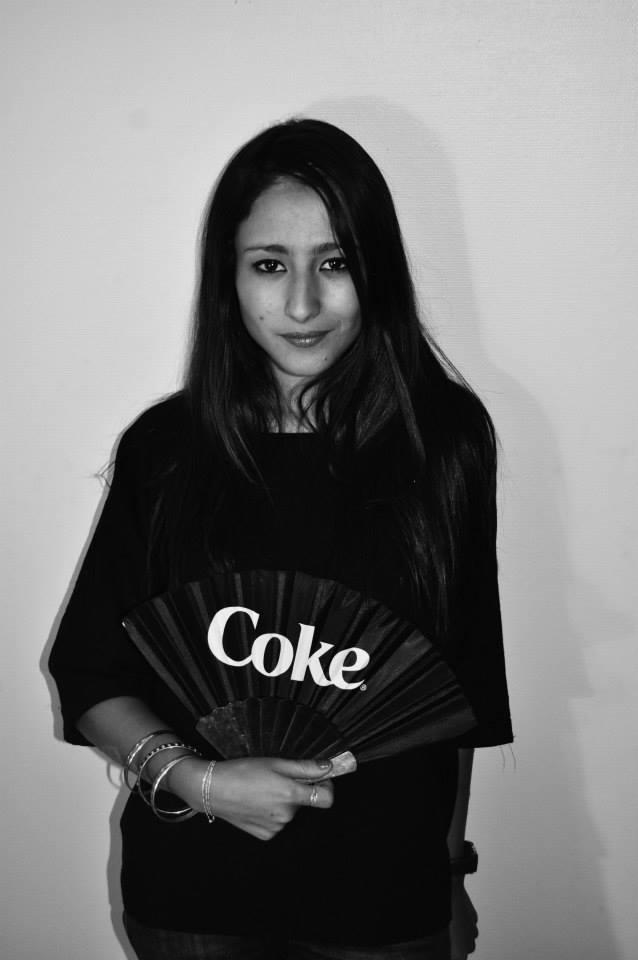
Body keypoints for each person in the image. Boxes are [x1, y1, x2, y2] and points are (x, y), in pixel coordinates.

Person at [48, 117, 513, 960]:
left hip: (384, 901)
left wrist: (450, 872)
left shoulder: (445, 442)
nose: (302, 305)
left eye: (335, 264)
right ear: (228, 278)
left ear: (377, 272)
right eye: (270, 265)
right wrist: (201, 781)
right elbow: (87, 673)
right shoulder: (166, 450)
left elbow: (458, 690)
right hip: (192, 899)